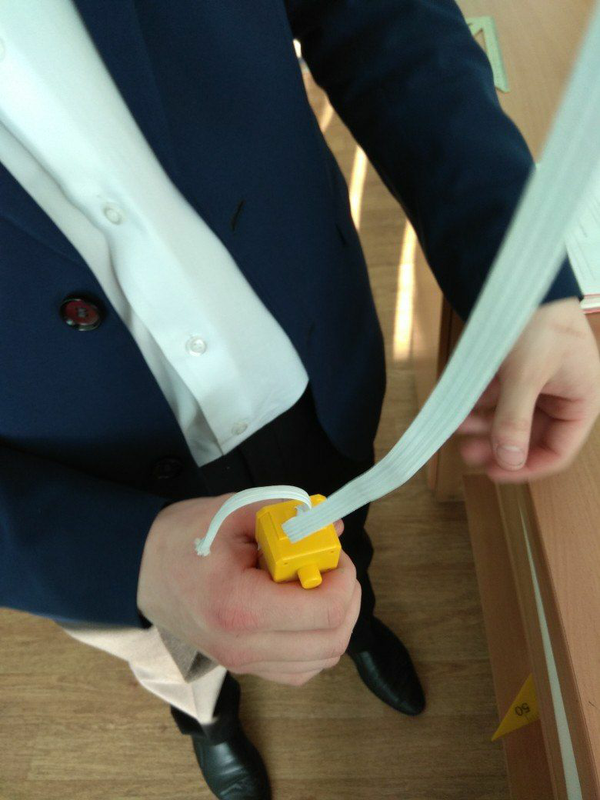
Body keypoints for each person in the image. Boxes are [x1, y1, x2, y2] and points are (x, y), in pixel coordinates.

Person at [0, 2, 598, 798]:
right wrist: (126, 561)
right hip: (78, 488)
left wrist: (516, 267)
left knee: (346, 538)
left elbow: (378, 14)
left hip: (306, 361)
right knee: (172, 652)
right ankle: (209, 719)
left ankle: (359, 626)